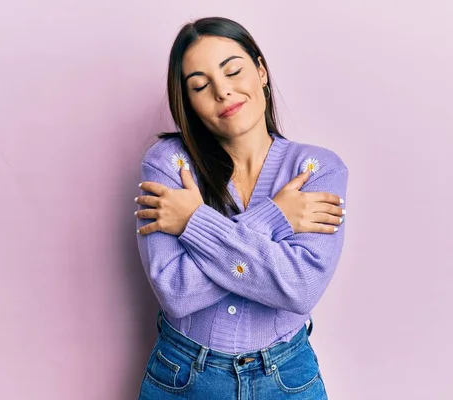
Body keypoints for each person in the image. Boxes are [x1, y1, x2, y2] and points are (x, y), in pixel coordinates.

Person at [134, 16, 347, 400]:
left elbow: (299, 289)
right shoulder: (168, 165)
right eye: (200, 85)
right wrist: (276, 215)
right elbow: (176, 293)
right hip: (182, 377)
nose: (222, 92)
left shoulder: (317, 170)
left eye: (233, 71)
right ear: (189, 102)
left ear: (261, 71)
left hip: (285, 377)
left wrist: (193, 222)